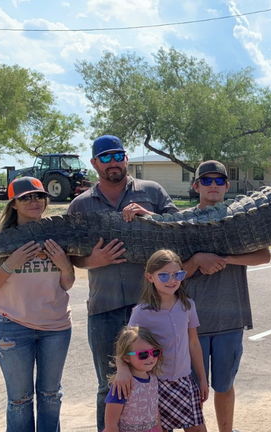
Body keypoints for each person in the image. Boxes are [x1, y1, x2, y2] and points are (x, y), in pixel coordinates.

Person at [67, 134, 178, 431]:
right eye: (105, 158)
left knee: (154, 382)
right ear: (94, 163)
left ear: (126, 158)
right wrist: (92, 261)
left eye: (118, 155)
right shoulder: (80, 205)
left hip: (149, 308)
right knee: (110, 386)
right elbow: (70, 256)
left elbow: (182, 229)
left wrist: (151, 216)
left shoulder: (152, 192)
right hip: (104, 308)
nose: (113, 162)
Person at [0, 177, 75, 432]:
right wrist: (11, 264)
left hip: (56, 328)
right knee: (19, 400)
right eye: (26, 197)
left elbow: (66, 284)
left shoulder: (59, 233)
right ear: (14, 204)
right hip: (13, 328)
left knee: (51, 396)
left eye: (39, 196)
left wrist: (65, 266)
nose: (34, 201)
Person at [184, 160, 271, 432]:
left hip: (230, 319)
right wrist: (197, 260)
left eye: (218, 181)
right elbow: (171, 273)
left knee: (224, 386)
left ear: (227, 186)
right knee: (192, 390)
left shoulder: (240, 218)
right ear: (196, 185)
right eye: (206, 181)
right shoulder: (181, 221)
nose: (213, 185)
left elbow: (264, 255)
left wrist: (226, 258)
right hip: (190, 325)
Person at [126, 249, 209, 432]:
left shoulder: (188, 306)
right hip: (156, 384)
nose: (172, 281)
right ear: (150, 277)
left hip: (184, 382)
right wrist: (122, 372)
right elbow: (125, 348)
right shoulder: (141, 312)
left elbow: (194, 343)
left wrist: (203, 379)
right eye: (163, 276)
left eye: (177, 274)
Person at [104, 326, 164, 432]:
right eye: (143, 354)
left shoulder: (153, 379)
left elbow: (155, 412)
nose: (151, 358)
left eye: (155, 352)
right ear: (127, 357)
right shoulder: (123, 385)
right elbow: (111, 425)